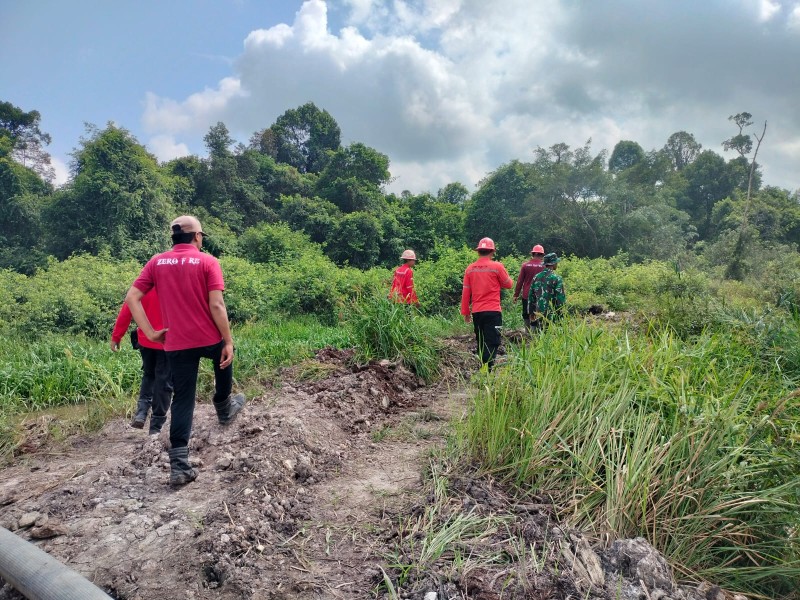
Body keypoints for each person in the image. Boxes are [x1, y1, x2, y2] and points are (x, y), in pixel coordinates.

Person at [125, 215, 245, 487]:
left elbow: (132, 298)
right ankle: (224, 405)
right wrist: (227, 340)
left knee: (183, 399)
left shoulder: (157, 262)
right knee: (225, 355)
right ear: (198, 237)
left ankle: (179, 466)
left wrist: (151, 332)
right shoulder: (208, 261)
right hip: (208, 337)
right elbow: (217, 306)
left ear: (174, 238)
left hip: (176, 342)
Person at [110, 288, 171, 435]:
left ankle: (141, 412)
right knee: (164, 381)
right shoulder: (171, 284)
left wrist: (116, 336)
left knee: (149, 375)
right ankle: (156, 425)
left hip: (145, 341)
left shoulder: (142, 287)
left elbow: (127, 310)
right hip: (166, 341)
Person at [460, 237, 514, 371]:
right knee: (493, 340)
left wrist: (466, 312)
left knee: (481, 340)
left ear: (478, 251)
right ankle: (487, 370)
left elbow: (466, 292)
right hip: (493, 311)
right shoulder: (497, 266)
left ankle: (483, 368)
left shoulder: (470, 269)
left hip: (477, 312)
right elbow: (509, 284)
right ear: (492, 251)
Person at [528, 252, 566, 328]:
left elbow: (531, 297)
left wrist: (531, 313)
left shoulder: (536, 277)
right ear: (554, 264)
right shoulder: (556, 278)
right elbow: (560, 299)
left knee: (541, 336)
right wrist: (562, 314)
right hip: (553, 315)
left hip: (539, 313)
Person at [512, 244, 545, 330]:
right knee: (539, 313)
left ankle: (527, 332)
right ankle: (538, 333)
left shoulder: (525, 265)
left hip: (527, 295)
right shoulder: (544, 266)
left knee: (526, 313)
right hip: (540, 295)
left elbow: (520, 281)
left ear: (533, 254)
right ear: (542, 255)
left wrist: (516, 294)